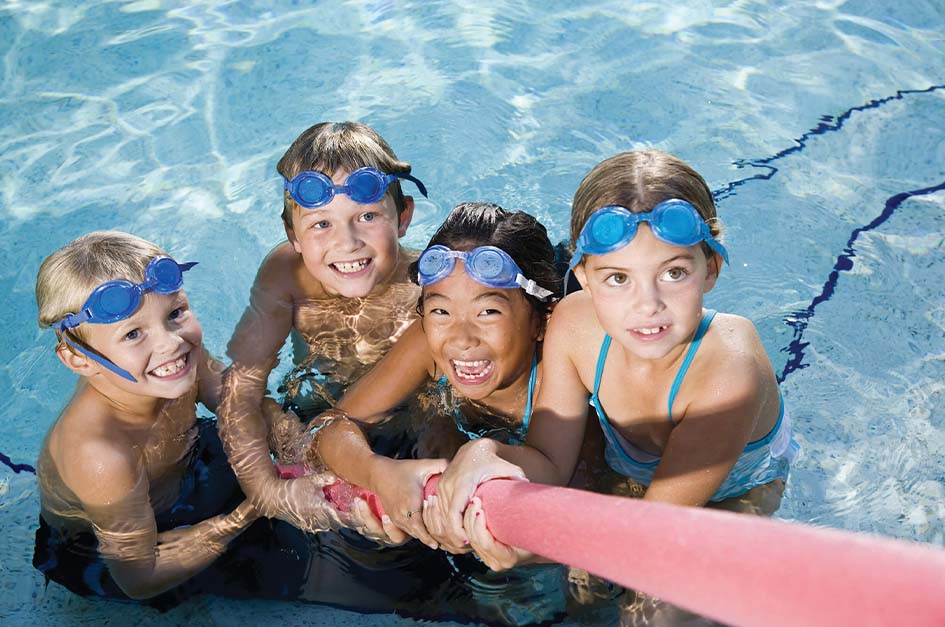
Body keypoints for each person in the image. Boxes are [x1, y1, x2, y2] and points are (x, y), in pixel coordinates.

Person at [431, 151, 800, 625]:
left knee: (653, 612)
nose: (647, 305)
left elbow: (652, 536)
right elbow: (548, 462)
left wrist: (536, 551)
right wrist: (484, 454)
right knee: (584, 596)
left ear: (711, 268)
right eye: (618, 278)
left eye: (673, 273)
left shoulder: (729, 368)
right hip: (638, 488)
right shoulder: (574, 324)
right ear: (583, 277)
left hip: (733, 498)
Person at [312, 202, 616, 625]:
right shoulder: (430, 345)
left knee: (590, 594)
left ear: (540, 322)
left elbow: (570, 486)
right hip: (462, 444)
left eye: (488, 311)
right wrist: (377, 472)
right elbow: (329, 426)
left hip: (560, 488)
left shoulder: (566, 378)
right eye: (440, 311)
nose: (460, 337)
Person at [32, 231, 267, 602]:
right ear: (80, 360)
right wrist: (258, 506)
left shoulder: (173, 361)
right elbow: (141, 579)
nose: (170, 342)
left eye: (175, 313)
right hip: (104, 552)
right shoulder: (101, 456)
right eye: (132, 335)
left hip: (180, 471)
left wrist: (295, 438)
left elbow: (235, 399)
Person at [218, 121, 428, 532]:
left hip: (405, 423)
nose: (347, 242)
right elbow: (240, 387)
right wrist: (269, 483)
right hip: (312, 411)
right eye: (321, 224)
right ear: (291, 233)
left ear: (403, 218)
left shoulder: (425, 282)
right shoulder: (286, 275)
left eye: (366, 216)